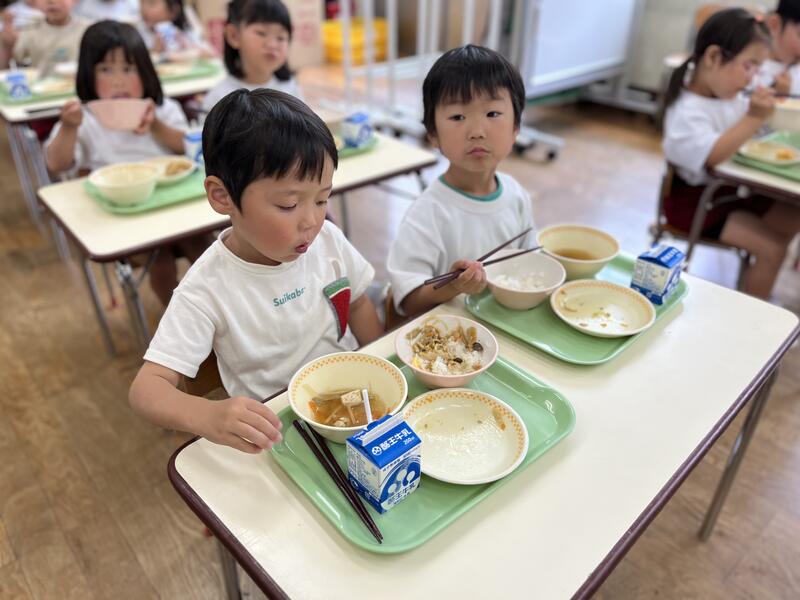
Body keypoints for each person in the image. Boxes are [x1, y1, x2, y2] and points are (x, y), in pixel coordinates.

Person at [129, 89, 383, 453]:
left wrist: (378, 369)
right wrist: (207, 415)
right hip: (277, 431)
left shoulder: (328, 240)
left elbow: (357, 303)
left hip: (356, 404)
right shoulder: (207, 288)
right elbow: (146, 390)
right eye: (289, 204)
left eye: (322, 199)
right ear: (223, 197)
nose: (312, 221)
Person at [46, 20, 208, 306]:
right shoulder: (86, 120)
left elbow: (186, 146)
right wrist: (69, 127)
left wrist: (155, 125)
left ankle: (217, 312)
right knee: (161, 262)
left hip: (174, 208)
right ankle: (178, 319)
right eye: (106, 70)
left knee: (207, 248)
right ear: (88, 74)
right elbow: (56, 163)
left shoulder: (162, 109)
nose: (118, 80)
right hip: (124, 219)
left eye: (128, 68)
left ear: (145, 70)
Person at [387, 44, 536, 318]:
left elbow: (531, 265)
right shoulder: (427, 213)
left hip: (507, 324)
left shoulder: (516, 195)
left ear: (516, 126)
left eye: (492, 114)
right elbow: (407, 301)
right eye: (458, 117)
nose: (477, 132)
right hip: (452, 334)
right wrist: (453, 286)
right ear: (433, 134)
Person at [663, 8, 800, 299]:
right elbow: (712, 156)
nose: (751, 79)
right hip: (696, 204)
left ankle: (754, 275)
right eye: (749, 66)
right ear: (713, 57)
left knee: (793, 212)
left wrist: (768, 102)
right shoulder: (687, 111)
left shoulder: (729, 95)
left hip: (729, 193)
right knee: (773, 249)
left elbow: (755, 135)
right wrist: (753, 118)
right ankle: (754, 308)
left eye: (758, 69)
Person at [200, 0, 300, 113]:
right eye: (261, 33)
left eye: (280, 38)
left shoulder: (290, 87)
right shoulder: (219, 98)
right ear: (234, 36)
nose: (272, 45)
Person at [6, 0, 88, 75]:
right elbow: (10, 65)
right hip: (39, 85)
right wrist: (6, 45)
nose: (52, 1)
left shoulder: (87, 29)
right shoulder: (30, 28)